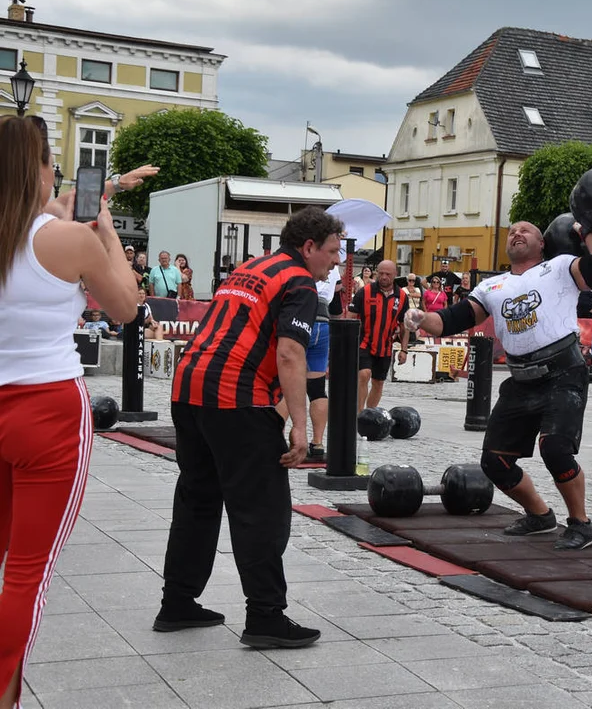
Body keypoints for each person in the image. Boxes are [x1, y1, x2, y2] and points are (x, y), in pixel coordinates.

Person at [158, 206, 342, 650]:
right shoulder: (298, 280)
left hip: (189, 388)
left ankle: (177, 602)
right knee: (262, 509)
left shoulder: (250, 268)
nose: (336, 262)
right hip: (236, 397)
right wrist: (301, 427)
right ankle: (265, 616)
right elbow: (290, 355)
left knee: (197, 501)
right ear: (309, 247)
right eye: (333, 252)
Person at [0, 115, 137, 709]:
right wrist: (104, 229)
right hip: (47, 408)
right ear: (37, 171)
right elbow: (127, 307)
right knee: (26, 573)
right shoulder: (65, 239)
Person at [404, 221, 592, 550]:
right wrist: (420, 318)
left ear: (542, 243)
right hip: (520, 379)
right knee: (495, 461)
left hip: (563, 372)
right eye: (512, 231)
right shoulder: (492, 287)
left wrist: (590, 229)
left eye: (526, 231)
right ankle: (540, 515)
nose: (517, 233)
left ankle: (581, 523)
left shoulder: (559, 267)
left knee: (556, 449)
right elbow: (450, 320)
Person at [276, 265, 338, 462]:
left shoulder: (298, 264)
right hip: (323, 321)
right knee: (318, 387)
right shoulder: (331, 267)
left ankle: (277, 437)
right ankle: (317, 443)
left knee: (286, 383)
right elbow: (336, 305)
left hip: (301, 316)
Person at [349, 260, 409, 410]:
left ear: (395, 275)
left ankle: (370, 413)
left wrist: (404, 349)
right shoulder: (365, 291)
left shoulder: (401, 296)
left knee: (379, 382)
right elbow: (350, 317)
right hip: (364, 342)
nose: (383, 277)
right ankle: (359, 413)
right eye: (381, 273)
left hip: (385, 346)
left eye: (387, 274)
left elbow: (404, 325)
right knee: (364, 374)